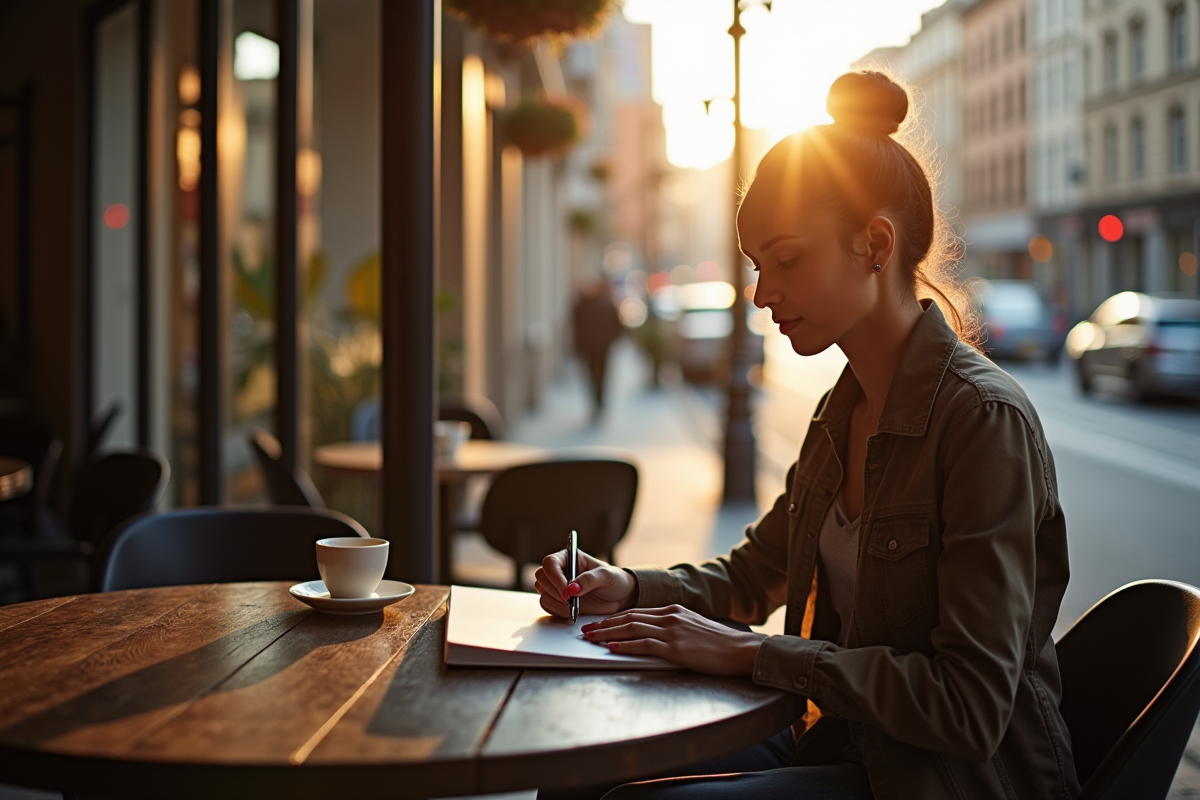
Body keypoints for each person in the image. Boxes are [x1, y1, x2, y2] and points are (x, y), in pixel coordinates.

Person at [535, 71, 1078, 800]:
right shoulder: (840, 410)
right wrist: (627, 588)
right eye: (759, 267)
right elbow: (756, 576)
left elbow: (970, 708)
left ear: (875, 245)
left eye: (786, 260)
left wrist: (757, 654)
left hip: (943, 781)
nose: (762, 295)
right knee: (573, 773)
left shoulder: (981, 421)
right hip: (843, 739)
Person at [572, 278, 624, 423]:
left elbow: (576, 328)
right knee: (602, 375)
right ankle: (599, 402)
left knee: (592, 375)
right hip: (602, 348)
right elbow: (618, 327)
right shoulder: (606, 304)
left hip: (590, 348)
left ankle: (596, 402)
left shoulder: (583, 305)